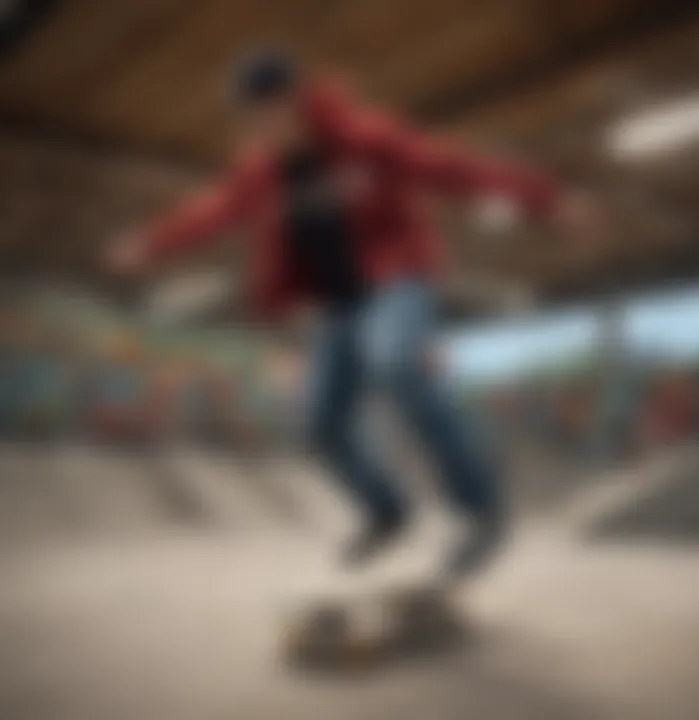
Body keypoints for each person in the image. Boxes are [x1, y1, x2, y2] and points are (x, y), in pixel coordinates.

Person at [106, 51, 596, 579]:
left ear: (296, 102)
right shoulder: (261, 171)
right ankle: (386, 511)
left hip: (397, 280)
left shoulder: (365, 139)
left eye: (268, 114)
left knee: (396, 360)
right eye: (250, 120)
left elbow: (452, 168)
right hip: (339, 308)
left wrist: (545, 198)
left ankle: (481, 512)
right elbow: (213, 210)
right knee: (318, 419)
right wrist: (150, 244)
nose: (260, 129)